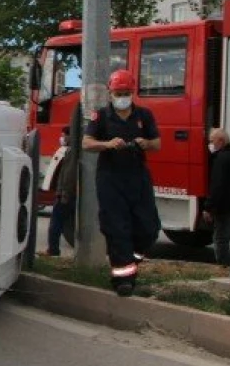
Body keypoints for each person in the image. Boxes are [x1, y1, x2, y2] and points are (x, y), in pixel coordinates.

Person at [82, 69, 161, 297]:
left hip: (138, 177)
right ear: (110, 92)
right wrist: (107, 144)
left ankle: (132, 261)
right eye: (118, 93)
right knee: (117, 228)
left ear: (132, 92)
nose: (122, 96)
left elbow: (157, 143)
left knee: (148, 228)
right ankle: (123, 280)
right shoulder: (101, 116)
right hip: (110, 179)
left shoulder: (144, 116)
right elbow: (87, 143)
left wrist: (145, 143)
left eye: (126, 92)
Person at [203, 128, 230, 267]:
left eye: (212, 141)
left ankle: (224, 266)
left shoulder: (221, 159)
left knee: (221, 238)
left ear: (221, 141)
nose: (210, 144)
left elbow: (218, 185)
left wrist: (208, 207)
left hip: (226, 207)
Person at [45, 126, 77, 256]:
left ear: (70, 136)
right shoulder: (73, 150)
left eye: (64, 135)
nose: (62, 138)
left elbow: (68, 175)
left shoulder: (71, 152)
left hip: (66, 194)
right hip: (69, 193)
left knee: (56, 222)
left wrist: (63, 193)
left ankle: (53, 250)